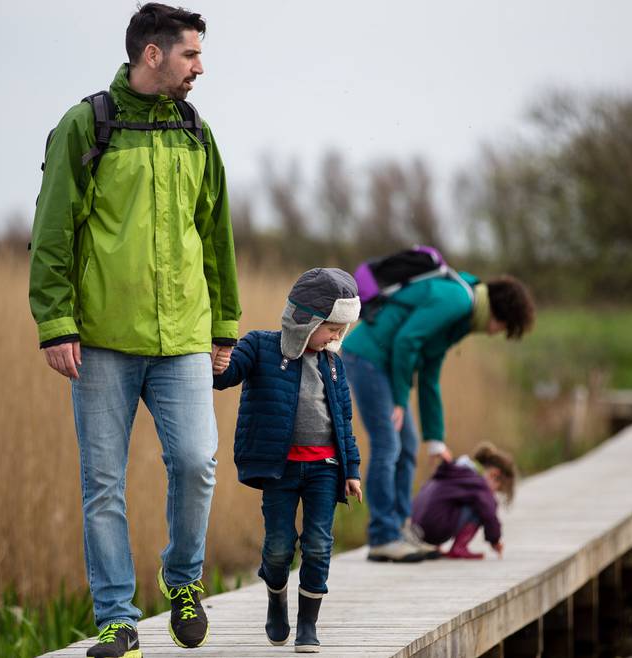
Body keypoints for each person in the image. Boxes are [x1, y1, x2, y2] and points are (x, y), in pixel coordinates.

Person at [28, 4, 239, 657]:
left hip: (181, 340)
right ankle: (118, 621)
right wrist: (56, 321)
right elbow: (53, 229)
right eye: (190, 55)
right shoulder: (86, 125)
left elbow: (216, 235)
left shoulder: (196, 134)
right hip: (102, 343)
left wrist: (224, 326)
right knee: (102, 484)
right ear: (153, 54)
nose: (200, 67)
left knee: (197, 463)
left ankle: (182, 582)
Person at [212, 268, 363, 653]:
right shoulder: (261, 347)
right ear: (306, 320)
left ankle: (308, 625)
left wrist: (353, 470)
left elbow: (343, 420)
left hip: (326, 469)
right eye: (331, 328)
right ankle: (276, 596)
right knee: (279, 546)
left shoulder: (333, 364)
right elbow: (227, 375)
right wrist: (218, 359)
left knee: (318, 544)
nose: (337, 337)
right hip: (280, 468)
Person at [341, 270, 534, 562]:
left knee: (409, 445)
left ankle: (401, 529)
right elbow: (406, 341)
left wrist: (435, 440)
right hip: (367, 358)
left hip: (384, 365)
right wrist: (400, 397)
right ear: (498, 314)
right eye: (503, 327)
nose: (495, 334)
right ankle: (382, 536)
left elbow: (430, 374)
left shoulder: (460, 320)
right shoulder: (457, 301)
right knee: (388, 444)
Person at [409, 442, 517, 559]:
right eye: (497, 489)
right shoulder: (477, 482)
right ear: (494, 474)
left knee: (449, 502)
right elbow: (489, 512)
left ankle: (436, 546)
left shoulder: (455, 470)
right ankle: (459, 548)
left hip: (416, 528)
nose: (493, 493)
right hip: (435, 530)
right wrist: (494, 539)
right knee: (483, 504)